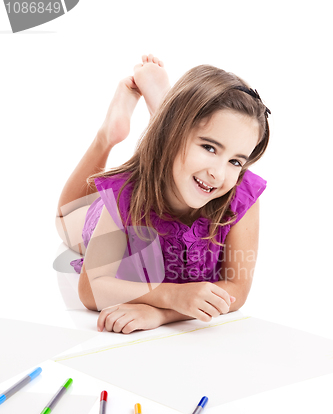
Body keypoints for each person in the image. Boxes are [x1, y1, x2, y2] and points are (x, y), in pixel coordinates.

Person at [56, 54, 270, 334]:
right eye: (210, 147)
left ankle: (167, 111)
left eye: (236, 161)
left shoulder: (240, 194)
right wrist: (171, 295)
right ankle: (108, 136)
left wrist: (163, 313)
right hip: (131, 202)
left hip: (176, 155)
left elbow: (236, 291)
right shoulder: (127, 195)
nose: (219, 173)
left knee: (185, 160)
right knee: (66, 219)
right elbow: (91, 289)